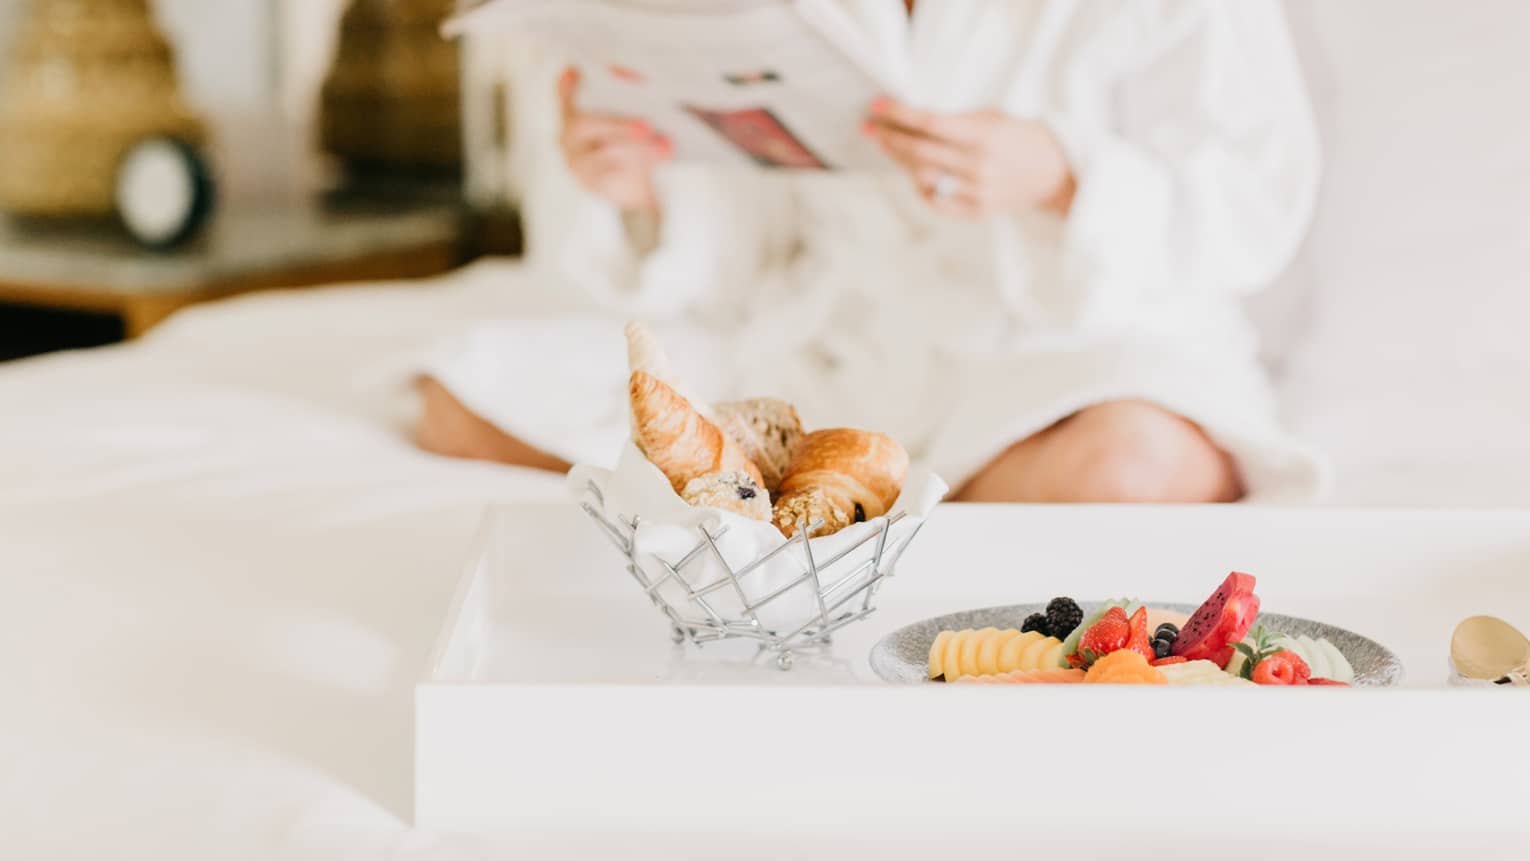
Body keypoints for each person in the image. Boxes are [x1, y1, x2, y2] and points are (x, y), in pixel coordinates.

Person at [416, 0, 1324, 503]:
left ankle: (813, 507)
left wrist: (1062, 176)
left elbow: (1258, 193)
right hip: (834, 337)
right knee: (462, 397)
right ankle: (855, 501)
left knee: (1132, 469)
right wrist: (645, 185)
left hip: (1063, 346)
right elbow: (753, 243)